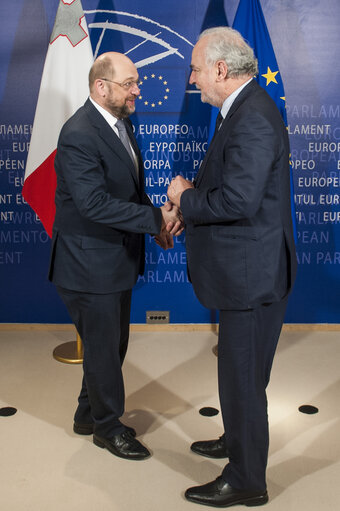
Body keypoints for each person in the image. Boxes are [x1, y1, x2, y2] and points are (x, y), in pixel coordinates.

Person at [168, 27, 297, 507]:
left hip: (252, 275)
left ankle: (246, 480)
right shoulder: (238, 111)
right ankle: (237, 440)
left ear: (221, 69)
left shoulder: (253, 118)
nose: (193, 78)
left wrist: (185, 197)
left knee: (242, 379)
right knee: (240, 376)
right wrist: (191, 206)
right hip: (245, 270)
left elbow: (239, 199)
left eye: (197, 69)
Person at [48, 52, 182, 461]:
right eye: (129, 83)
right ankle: (108, 429)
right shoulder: (79, 133)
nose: (137, 90)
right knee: (106, 350)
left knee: (109, 346)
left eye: (136, 82)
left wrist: (154, 225)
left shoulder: (119, 124)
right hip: (88, 264)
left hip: (112, 261)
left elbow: (126, 190)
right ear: (100, 86)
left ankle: (88, 414)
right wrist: (155, 215)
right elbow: (93, 204)